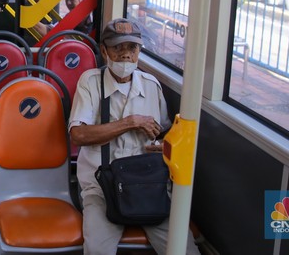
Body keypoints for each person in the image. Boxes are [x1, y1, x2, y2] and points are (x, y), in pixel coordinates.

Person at [67, 18, 200, 255]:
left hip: (147, 184)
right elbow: (78, 135)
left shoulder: (151, 86)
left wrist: (161, 146)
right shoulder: (90, 82)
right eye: (118, 47)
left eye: (132, 48)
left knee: (183, 249)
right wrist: (129, 122)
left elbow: (164, 132)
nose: (126, 54)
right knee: (97, 250)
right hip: (102, 187)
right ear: (104, 50)